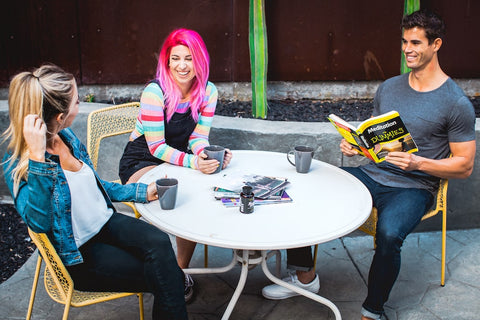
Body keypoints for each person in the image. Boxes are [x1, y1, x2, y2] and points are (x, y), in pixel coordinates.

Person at [261, 9, 476, 320]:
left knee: (389, 235)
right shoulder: (390, 87)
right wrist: (356, 146)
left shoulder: (455, 102)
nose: (408, 49)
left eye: (416, 42)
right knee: (305, 187)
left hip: (414, 186)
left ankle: (372, 311)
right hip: (372, 173)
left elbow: (464, 166)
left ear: (436, 44)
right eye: (404, 42)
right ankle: (305, 275)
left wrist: (417, 164)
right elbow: (378, 140)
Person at [2, 64, 188, 320]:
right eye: (77, 101)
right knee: (166, 275)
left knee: (160, 244)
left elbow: (95, 185)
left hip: (106, 222)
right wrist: (37, 159)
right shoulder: (18, 164)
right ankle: (177, 284)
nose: (80, 104)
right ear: (59, 116)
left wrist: (142, 191)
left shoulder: (65, 137)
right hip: (80, 254)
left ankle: (176, 284)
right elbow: (39, 223)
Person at [118, 28, 233, 302]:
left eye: (189, 58)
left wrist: (209, 154)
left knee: (195, 195)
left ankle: (178, 272)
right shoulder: (155, 92)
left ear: (200, 61)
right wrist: (194, 162)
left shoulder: (208, 91)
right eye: (176, 58)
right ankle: (165, 269)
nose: (182, 65)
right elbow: (156, 147)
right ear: (167, 61)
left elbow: (197, 137)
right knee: (181, 194)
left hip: (178, 161)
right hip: (141, 162)